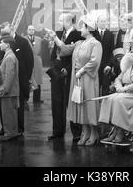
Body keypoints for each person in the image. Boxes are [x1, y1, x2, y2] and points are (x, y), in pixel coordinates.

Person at [53, 15, 103, 146]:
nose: (80, 28)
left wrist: (82, 70)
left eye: (83, 26)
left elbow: (95, 61)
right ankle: (85, 132)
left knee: (89, 103)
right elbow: (65, 49)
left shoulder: (96, 44)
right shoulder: (79, 43)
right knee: (80, 104)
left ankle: (94, 133)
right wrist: (54, 37)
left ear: (89, 29)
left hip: (88, 78)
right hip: (78, 78)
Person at [47, 13, 83, 141]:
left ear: (68, 21)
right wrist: (53, 65)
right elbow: (54, 52)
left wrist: (67, 69)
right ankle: (57, 131)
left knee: (72, 102)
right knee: (57, 102)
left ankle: (77, 132)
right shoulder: (58, 33)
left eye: (61, 19)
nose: (58, 21)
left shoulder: (78, 35)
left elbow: (76, 56)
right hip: (56, 72)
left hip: (70, 73)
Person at [0, 22, 34, 136]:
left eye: (5, 31)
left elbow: (30, 61)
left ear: (12, 28)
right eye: (2, 32)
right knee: (4, 106)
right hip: (6, 80)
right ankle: (6, 128)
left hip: (19, 80)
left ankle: (18, 129)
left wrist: (26, 78)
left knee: (17, 106)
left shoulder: (23, 42)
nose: (3, 35)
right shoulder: (3, 43)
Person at [0, 36, 20, 141]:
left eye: (1, 42)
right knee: (11, 113)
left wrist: (5, 90)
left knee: (8, 114)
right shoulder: (9, 56)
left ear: (7, 45)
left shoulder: (9, 57)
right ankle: (12, 132)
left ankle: (10, 134)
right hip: (11, 91)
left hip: (9, 92)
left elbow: (9, 76)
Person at [93, 14, 114, 96]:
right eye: (101, 21)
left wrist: (109, 65)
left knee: (105, 88)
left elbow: (112, 51)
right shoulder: (93, 34)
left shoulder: (110, 34)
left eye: (105, 21)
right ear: (97, 22)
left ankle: (105, 106)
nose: (103, 23)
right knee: (96, 87)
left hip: (106, 66)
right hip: (95, 65)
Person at [26, 25, 44, 104]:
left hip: (37, 62)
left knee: (38, 80)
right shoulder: (24, 39)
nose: (31, 31)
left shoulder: (39, 39)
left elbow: (43, 50)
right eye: (30, 29)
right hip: (28, 61)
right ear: (27, 30)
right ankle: (25, 99)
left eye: (33, 29)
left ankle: (37, 99)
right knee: (27, 80)